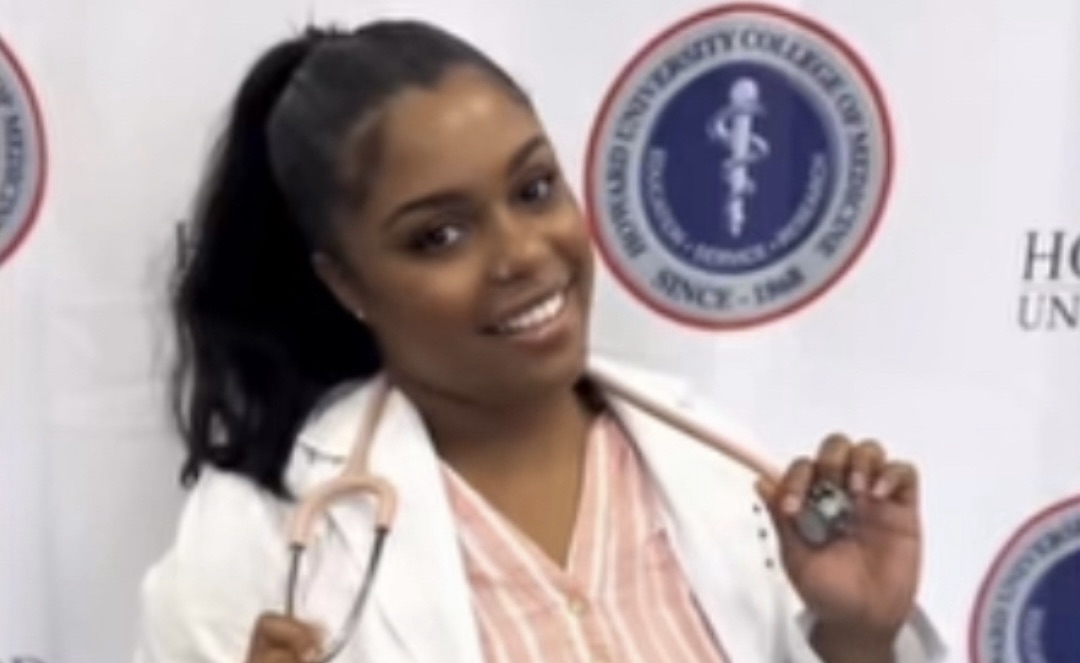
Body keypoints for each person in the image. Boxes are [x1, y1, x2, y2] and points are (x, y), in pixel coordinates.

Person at [134, 19, 946, 663]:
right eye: (439, 235)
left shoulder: (715, 468)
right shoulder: (258, 540)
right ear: (345, 282)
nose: (522, 253)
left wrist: (859, 638)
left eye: (533, 189)